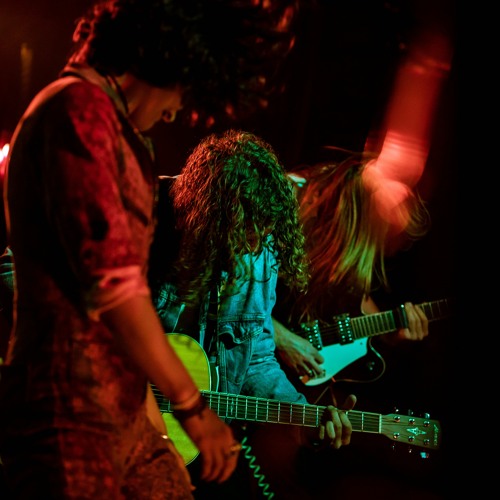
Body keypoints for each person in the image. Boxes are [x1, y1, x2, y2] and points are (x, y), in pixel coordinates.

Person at [0, 1, 305, 498]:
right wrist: (193, 408)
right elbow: (115, 289)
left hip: (119, 407)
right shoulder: (79, 113)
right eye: (183, 90)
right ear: (170, 57)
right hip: (67, 405)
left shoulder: (113, 128)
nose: (175, 111)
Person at [147, 129, 357, 499]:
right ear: (206, 214)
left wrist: (303, 417)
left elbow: (256, 357)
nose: (253, 246)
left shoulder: (260, 246)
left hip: (193, 444)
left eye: (262, 235)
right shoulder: (142, 213)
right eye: (243, 232)